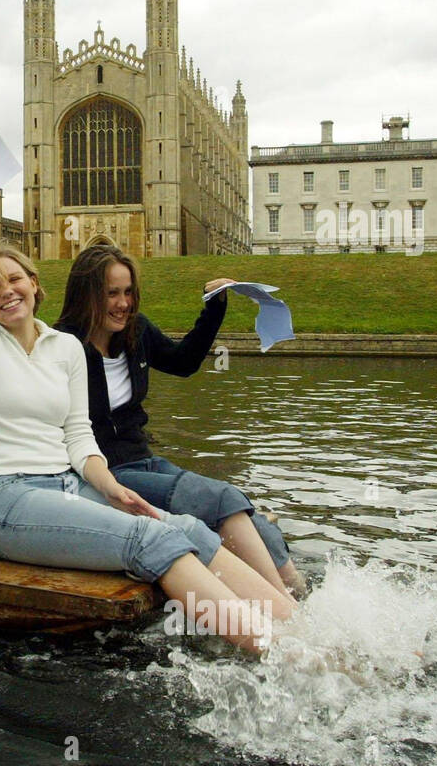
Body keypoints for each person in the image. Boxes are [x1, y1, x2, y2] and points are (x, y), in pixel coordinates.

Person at [0, 156, 294, 653]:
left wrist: (112, 489)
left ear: (35, 284)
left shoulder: (63, 347)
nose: (6, 292)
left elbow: (78, 436)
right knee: (152, 543)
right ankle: (280, 656)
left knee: (185, 525)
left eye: (14, 279)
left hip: (69, 485)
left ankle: (304, 630)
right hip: (2, 499)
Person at [55, 240, 304, 598]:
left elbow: (184, 362)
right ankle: (282, 610)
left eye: (128, 292)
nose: (123, 303)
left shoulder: (136, 332)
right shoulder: (62, 344)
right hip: (103, 477)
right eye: (111, 293)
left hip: (143, 461)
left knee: (242, 512)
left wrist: (214, 304)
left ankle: (299, 596)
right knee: (220, 498)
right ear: (86, 295)